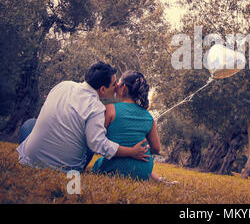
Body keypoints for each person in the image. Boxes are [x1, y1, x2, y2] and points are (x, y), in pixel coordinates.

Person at [16, 61, 150, 172]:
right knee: (90, 140)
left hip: (29, 161)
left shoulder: (62, 85)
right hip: (66, 169)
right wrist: (131, 151)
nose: (117, 88)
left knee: (30, 124)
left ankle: (34, 154)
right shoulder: (96, 107)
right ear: (102, 89)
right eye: (114, 84)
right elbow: (97, 144)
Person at [92, 70, 174, 184]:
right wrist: (141, 150)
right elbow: (156, 148)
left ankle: (159, 180)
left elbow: (99, 138)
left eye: (118, 84)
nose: (115, 87)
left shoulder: (110, 109)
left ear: (124, 87)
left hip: (115, 168)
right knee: (134, 166)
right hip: (143, 171)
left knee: (99, 164)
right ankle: (160, 181)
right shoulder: (148, 116)